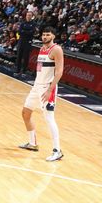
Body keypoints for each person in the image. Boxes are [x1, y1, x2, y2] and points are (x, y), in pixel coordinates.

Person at [18, 26, 65, 161]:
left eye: (48, 35)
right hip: (37, 86)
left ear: (53, 36)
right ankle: (32, 143)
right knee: (26, 112)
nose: (45, 37)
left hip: (47, 88)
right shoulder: (41, 49)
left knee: (49, 118)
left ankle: (57, 150)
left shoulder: (56, 49)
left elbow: (59, 71)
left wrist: (50, 89)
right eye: (43, 34)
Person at [14, 11, 37, 75]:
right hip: (21, 41)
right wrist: (27, 31)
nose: (28, 16)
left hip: (28, 42)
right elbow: (19, 32)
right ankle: (17, 70)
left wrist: (24, 31)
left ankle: (24, 71)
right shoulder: (22, 23)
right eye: (27, 15)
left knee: (26, 57)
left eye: (30, 15)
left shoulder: (34, 24)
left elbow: (31, 32)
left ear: (32, 16)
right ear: (26, 16)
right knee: (19, 56)